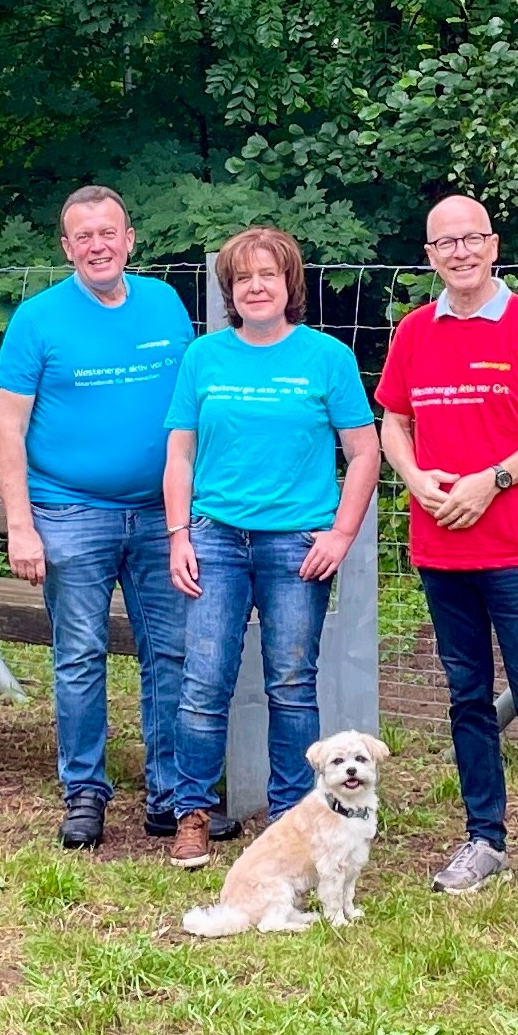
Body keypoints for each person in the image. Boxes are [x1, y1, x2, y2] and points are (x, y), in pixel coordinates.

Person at [374, 195, 518, 909]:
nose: (459, 252)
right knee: (466, 697)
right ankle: (484, 840)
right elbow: (392, 423)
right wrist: (412, 478)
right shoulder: (414, 332)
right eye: (444, 242)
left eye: (470, 238)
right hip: (440, 546)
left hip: (514, 545)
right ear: (429, 254)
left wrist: (491, 480)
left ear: (492, 245)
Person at [162, 227, 380, 869]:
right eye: (242, 278)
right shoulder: (204, 357)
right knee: (203, 681)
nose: (256, 287)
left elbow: (364, 451)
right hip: (215, 539)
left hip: (297, 545)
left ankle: (291, 817)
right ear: (230, 290)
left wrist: (341, 532)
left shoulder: (326, 358)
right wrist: (178, 534)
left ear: (291, 286)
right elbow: (179, 453)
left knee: (290, 683)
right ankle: (193, 813)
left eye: (269, 275)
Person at [0, 185, 196, 850]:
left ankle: (172, 794)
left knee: (170, 654)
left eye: (108, 232)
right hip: (69, 513)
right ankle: (84, 791)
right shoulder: (37, 318)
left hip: (159, 514)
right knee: (79, 656)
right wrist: (20, 526)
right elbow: (7, 428)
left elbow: (191, 412)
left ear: (130, 238)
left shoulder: (166, 304)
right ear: (66, 247)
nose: (98, 245)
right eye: (84, 236)